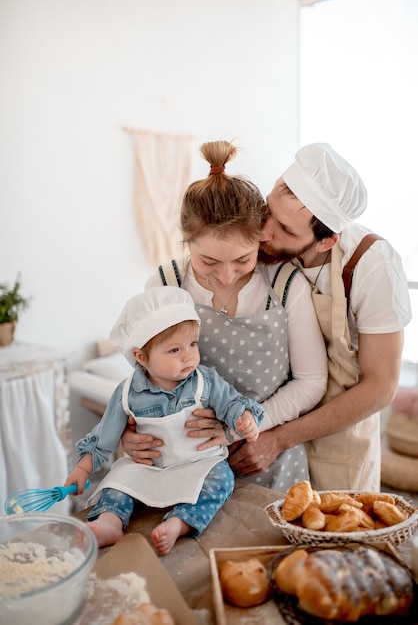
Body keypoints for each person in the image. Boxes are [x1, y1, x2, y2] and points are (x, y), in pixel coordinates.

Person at [192, 142, 411, 492]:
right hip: (263, 429)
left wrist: (279, 439)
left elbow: (381, 388)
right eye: (268, 214)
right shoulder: (262, 248)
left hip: (336, 447)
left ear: (326, 242)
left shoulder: (372, 266)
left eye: (286, 231)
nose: (263, 234)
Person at [120, 140, 328, 492]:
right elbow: (147, 379)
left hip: (266, 460)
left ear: (261, 238)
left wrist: (244, 427)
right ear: (186, 243)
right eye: (208, 262)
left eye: (243, 260)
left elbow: (311, 382)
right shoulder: (164, 284)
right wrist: (129, 432)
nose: (227, 276)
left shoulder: (285, 286)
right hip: (182, 461)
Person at [65, 287, 264, 555]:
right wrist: (82, 470)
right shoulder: (126, 393)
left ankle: (178, 522)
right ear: (141, 357)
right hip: (149, 467)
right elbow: (104, 437)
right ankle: (109, 522)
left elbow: (232, 403)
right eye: (174, 350)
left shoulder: (205, 380)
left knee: (221, 480)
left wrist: (244, 418)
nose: (188, 356)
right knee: (116, 482)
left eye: (193, 344)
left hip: (198, 463)